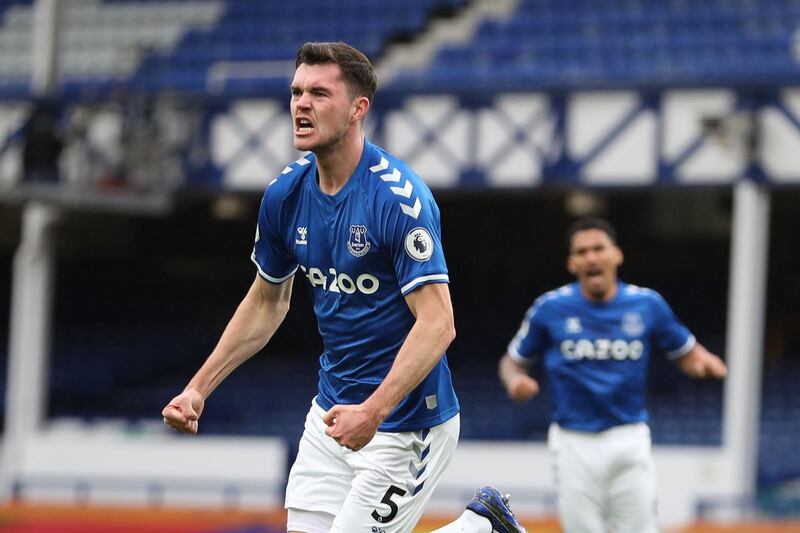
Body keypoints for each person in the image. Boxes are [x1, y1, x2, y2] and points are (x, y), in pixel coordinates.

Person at [162, 42, 526, 533]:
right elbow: (266, 302)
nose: (301, 104)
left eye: (319, 93)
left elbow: (439, 324)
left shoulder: (398, 199)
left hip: (406, 422)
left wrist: (373, 412)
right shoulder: (285, 195)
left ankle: (482, 528)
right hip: (330, 415)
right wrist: (198, 388)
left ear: (358, 109)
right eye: (295, 92)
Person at [498, 217, 727, 533]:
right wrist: (515, 382)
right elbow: (511, 362)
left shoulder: (647, 304)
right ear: (571, 263)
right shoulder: (549, 308)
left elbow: (687, 353)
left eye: (598, 248)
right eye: (581, 252)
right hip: (573, 442)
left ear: (616, 255)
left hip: (628, 437)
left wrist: (705, 362)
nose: (591, 257)